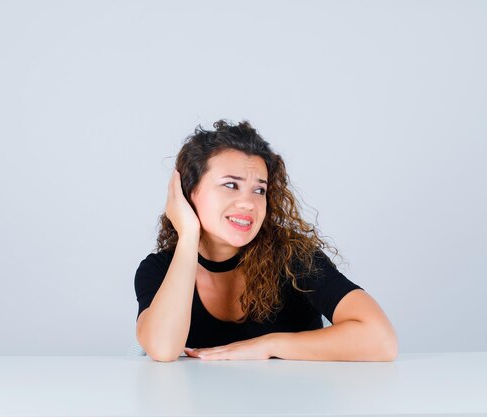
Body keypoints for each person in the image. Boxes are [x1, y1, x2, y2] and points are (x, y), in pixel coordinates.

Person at [134, 120, 398, 362]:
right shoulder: (158, 269)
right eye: (230, 185)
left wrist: (269, 345)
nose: (248, 203)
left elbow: (381, 340)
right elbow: (163, 348)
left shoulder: (294, 257)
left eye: (259, 190)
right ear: (188, 192)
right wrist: (188, 234)